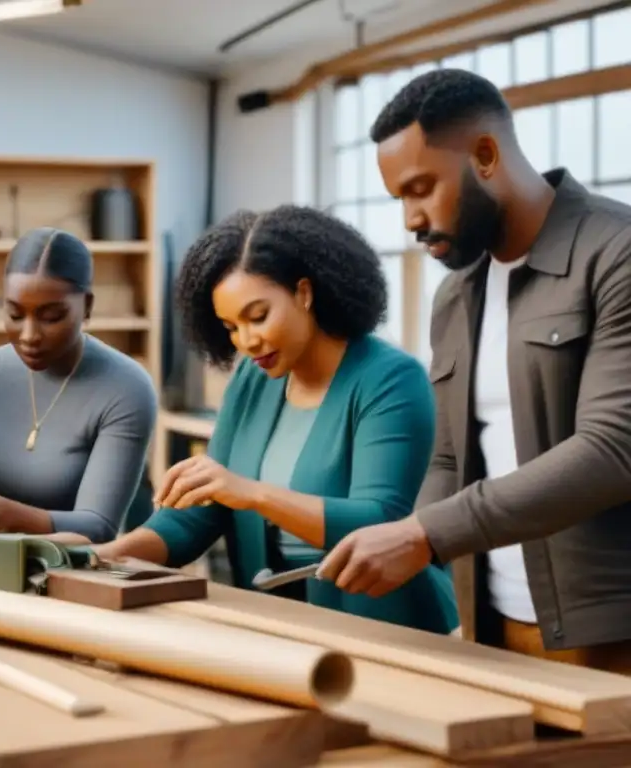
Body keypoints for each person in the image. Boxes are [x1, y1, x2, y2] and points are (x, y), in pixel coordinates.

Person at [319, 69, 631, 670]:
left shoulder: (615, 254)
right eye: (399, 199)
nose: (410, 219)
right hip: (489, 629)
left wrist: (426, 534)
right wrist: (407, 539)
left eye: (421, 187)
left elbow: (613, 448)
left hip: (610, 633)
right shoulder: (457, 296)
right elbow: (449, 459)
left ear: (485, 154)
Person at [47, 205, 458, 633]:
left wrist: (252, 494)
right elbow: (200, 514)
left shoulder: (390, 379)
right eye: (230, 327)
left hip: (384, 627)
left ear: (304, 292)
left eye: (258, 316)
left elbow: (380, 523)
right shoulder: (254, 376)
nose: (246, 341)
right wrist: (107, 554)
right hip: (279, 622)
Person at [0, 227, 157, 558]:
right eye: (14, 314)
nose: (29, 335)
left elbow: (99, 527)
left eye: (51, 317)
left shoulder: (126, 387)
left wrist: (15, 516)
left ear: (86, 306)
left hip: (67, 578)